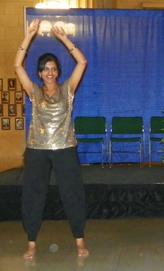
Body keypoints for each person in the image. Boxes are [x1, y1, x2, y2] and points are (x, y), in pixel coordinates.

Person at [13, 19, 89, 260]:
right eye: (45, 68)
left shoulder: (68, 89)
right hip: (37, 149)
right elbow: (16, 65)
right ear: (39, 73)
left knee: (72, 194)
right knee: (34, 195)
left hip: (65, 148)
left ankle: (79, 240)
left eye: (53, 68)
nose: (50, 72)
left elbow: (82, 61)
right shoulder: (33, 92)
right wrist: (30, 36)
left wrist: (64, 38)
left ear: (58, 72)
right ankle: (32, 243)